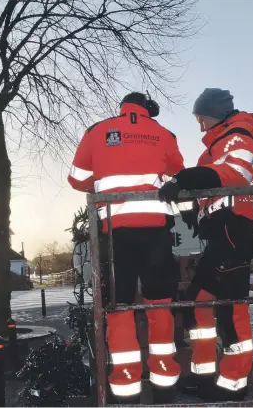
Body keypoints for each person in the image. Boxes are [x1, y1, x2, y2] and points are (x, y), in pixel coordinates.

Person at [68, 92, 184, 401]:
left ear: (121, 108)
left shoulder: (97, 131)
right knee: (160, 305)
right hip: (156, 234)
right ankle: (164, 383)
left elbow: (76, 179)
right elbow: (178, 174)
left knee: (119, 308)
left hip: (116, 235)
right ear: (148, 110)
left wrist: (105, 177)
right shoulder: (164, 134)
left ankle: (125, 388)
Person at [159, 88, 253, 402]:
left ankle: (235, 381)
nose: (199, 125)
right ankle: (205, 376)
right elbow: (213, 180)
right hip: (219, 233)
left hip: (235, 229)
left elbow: (237, 173)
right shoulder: (216, 144)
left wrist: (186, 179)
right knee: (200, 302)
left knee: (231, 309)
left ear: (212, 114)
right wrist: (194, 207)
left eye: (200, 118)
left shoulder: (238, 134)